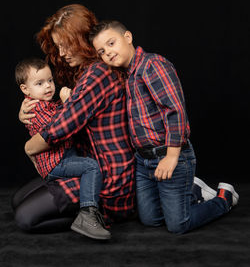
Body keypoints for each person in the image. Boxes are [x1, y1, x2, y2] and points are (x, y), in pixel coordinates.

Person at [88, 20, 239, 234]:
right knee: (150, 220)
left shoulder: (152, 65)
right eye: (102, 51)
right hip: (143, 160)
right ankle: (193, 190)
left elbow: (175, 110)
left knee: (178, 224)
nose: (108, 53)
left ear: (128, 37)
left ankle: (224, 198)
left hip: (169, 154)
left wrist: (172, 156)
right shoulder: (128, 75)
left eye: (111, 43)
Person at [13, 4, 135, 236]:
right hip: (86, 162)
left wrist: (29, 148)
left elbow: (60, 129)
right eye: (58, 47)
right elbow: (57, 111)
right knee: (18, 200)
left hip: (108, 176)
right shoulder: (86, 71)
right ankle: (80, 213)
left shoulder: (98, 74)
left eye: (65, 45)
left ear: (82, 39)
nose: (61, 54)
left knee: (25, 219)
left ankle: (92, 214)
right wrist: (29, 110)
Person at [15, 57, 111, 240]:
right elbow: (57, 127)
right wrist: (69, 102)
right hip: (57, 162)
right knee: (91, 166)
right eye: (40, 83)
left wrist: (65, 102)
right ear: (25, 90)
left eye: (50, 80)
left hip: (61, 159)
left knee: (86, 165)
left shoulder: (42, 103)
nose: (48, 86)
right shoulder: (34, 109)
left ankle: (81, 215)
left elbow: (55, 111)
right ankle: (88, 214)